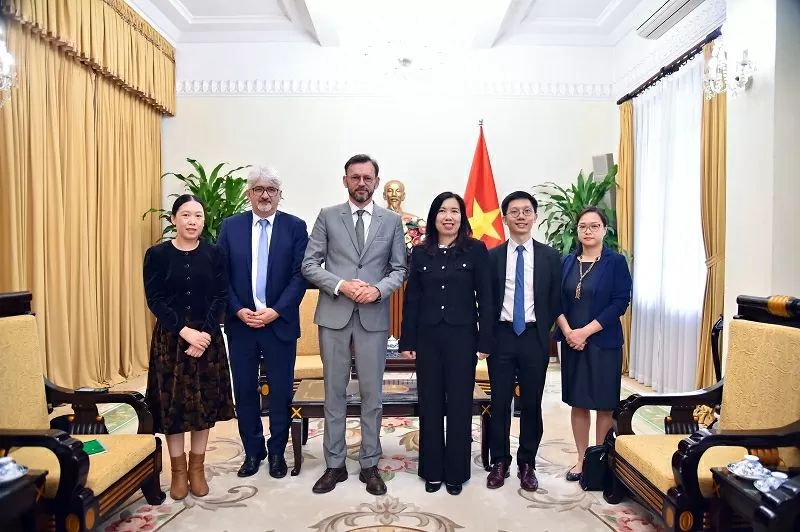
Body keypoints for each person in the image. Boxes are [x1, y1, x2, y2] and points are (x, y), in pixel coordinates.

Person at [301, 154, 407, 495]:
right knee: (334, 392)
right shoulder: (328, 216)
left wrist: (377, 290)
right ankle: (334, 465)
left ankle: (369, 464)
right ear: (345, 180)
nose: (361, 183)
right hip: (334, 314)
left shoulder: (392, 221)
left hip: (373, 316)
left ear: (376, 182)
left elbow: (399, 269)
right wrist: (341, 285)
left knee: (372, 394)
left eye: (367, 177)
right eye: (355, 177)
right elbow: (309, 264)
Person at [216, 166, 309, 479]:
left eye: (271, 189)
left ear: (280, 195)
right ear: (249, 194)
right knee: (244, 391)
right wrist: (238, 309)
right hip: (241, 324)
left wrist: (276, 311)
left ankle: (278, 452)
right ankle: (253, 452)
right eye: (258, 189)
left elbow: (300, 276)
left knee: (281, 392)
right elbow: (221, 275)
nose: (265, 195)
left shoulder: (295, 227)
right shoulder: (231, 227)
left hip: (278, 324)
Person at [399, 192, 493, 495]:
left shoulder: (475, 250)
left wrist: (485, 340)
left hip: (462, 338)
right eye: (442, 211)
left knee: (459, 405)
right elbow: (412, 299)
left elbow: (486, 299)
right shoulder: (421, 252)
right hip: (427, 338)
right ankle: (432, 470)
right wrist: (407, 339)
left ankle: (456, 472)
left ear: (462, 218)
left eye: (454, 211)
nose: (448, 217)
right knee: (430, 404)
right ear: (433, 217)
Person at [143, 194, 235, 501]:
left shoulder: (214, 253)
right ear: (174, 219)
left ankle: (197, 469)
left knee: (203, 406)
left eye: (198, 216)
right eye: (185, 215)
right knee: (175, 407)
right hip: (171, 340)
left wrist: (204, 334)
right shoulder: (156, 255)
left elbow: (221, 296)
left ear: (203, 221)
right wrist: (185, 333)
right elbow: (155, 299)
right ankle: (178, 472)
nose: (192, 221)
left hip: (207, 339)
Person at [485, 191, 561, 492]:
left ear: (535, 217)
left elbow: (555, 298)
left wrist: (546, 330)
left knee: (531, 402)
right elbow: (485, 300)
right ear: (504, 218)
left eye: (526, 211)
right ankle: (500, 461)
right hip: (501, 336)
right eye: (514, 211)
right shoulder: (492, 257)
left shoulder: (550, 257)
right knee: (499, 401)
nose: (520, 216)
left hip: (533, 337)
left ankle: (527, 462)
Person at [553, 206, 632, 482]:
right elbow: (555, 301)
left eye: (594, 226)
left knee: (604, 404)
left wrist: (584, 332)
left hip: (603, 342)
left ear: (604, 230)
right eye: (583, 226)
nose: (588, 231)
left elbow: (619, 303)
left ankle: (599, 459)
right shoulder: (566, 262)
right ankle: (581, 458)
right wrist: (568, 332)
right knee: (579, 402)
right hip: (572, 342)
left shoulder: (616, 262)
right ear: (577, 230)